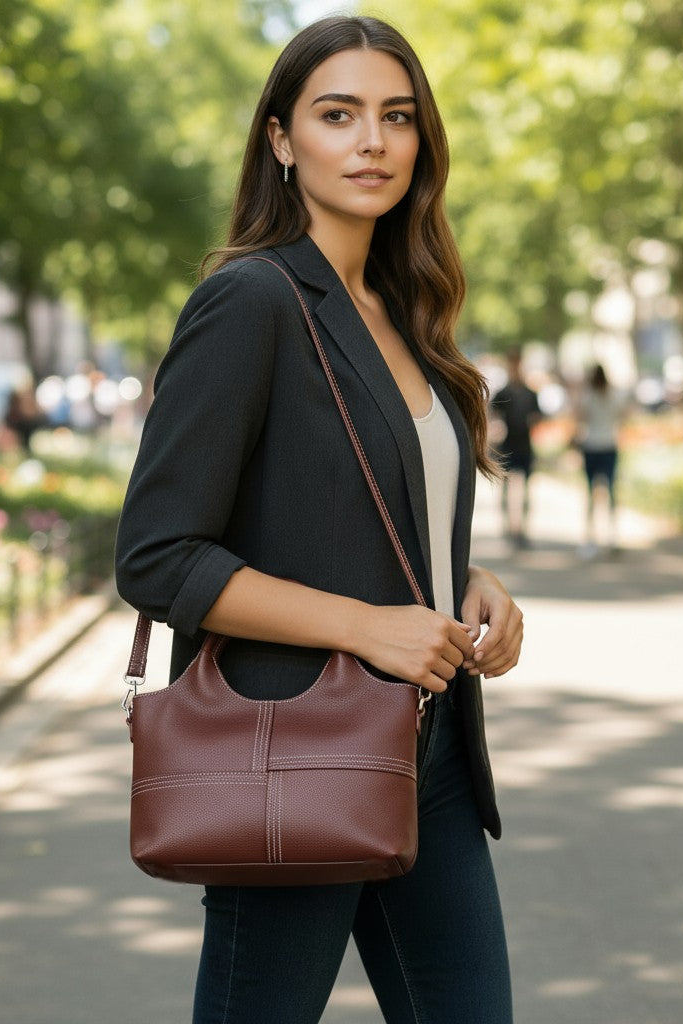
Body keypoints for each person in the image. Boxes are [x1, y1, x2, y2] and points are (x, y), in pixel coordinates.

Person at [115, 16, 523, 1023]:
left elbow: (378, 513)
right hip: (293, 748)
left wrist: (463, 586)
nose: (371, 142)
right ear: (282, 140)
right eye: (336, 115)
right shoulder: (251, 300)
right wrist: (363, 622)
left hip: (424, 751)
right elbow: (158, 557)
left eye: (396, 117)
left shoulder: (404, 312)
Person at [489, 347, 541, 547]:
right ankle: (508, 528)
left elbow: (537, 417)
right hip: (508, 445)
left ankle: (522, 529)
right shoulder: (503, 393)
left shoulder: (530, 393)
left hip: (524, 445)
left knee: (526, 490)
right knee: (506, 490)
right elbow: (492, 416)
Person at [574, 362, 628, 557]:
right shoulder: (613, 395)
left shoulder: (589, 395)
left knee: (590, 493)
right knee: (611, 492)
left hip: (591, 445)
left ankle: (590, 539)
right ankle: (613, 536)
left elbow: (580, 417)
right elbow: (623, 415)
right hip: (609, 445)